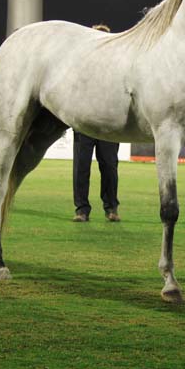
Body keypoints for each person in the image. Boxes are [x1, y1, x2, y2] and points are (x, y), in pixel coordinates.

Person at [72, 24, 121, 222]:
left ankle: (111, 208)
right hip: (84, 124)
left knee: (109, 167)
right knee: (81, 168)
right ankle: (82, 209)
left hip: (109, 125)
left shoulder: (118, 67)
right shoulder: (80, 67)